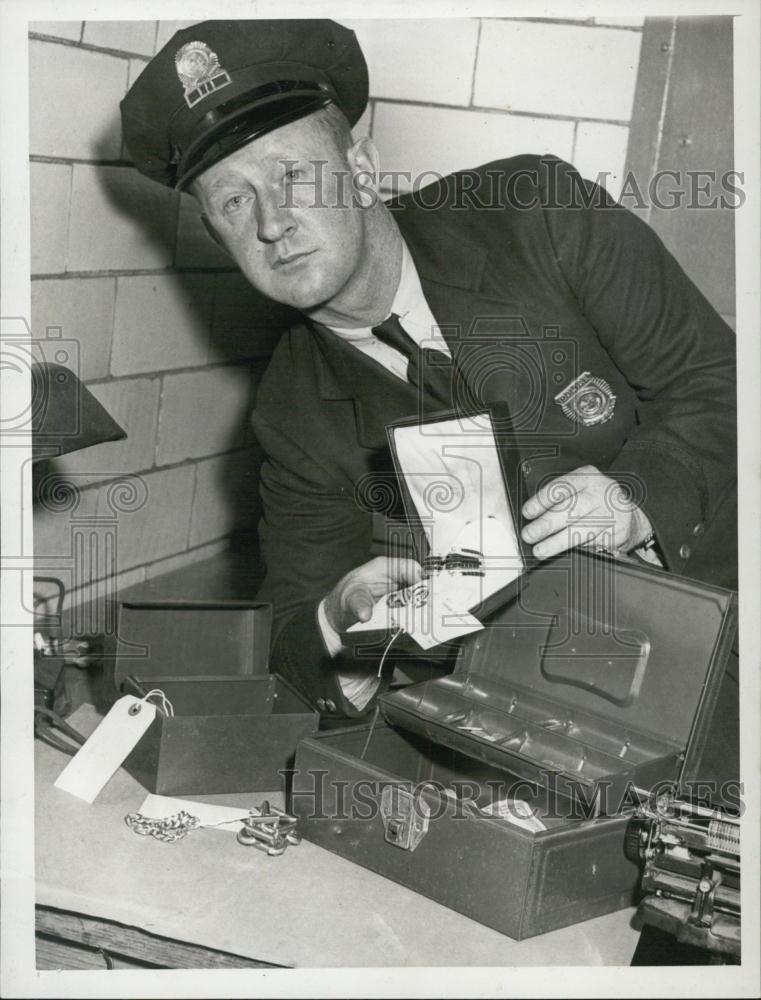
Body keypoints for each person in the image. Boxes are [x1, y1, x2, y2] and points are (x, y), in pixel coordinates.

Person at [121, 19, 737, 722]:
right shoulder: (292, 409)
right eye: (233, 201)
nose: (271, 223)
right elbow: (296, 632)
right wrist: (343, 617)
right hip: (556, 713)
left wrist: (634, 496)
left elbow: (721, 380)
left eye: (292, 174)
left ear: (360, 170)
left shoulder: (537, 214)